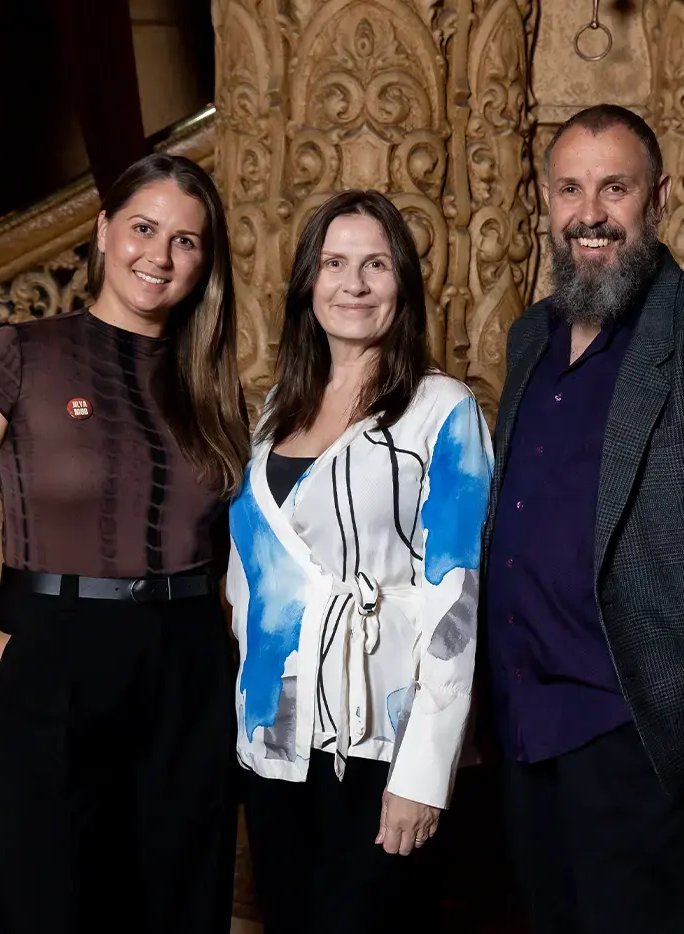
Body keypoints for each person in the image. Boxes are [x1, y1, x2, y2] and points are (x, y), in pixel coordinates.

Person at [481, 103, 684, 933]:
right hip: (519, 722)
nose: (589, 214)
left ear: (658, 197)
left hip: (630, 730)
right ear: (547, 201)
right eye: (570, 189)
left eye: (615, 189)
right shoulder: (529, 337)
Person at [0, 153, 248, 934]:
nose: (159, 256)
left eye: (185, 241)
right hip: (51, 647)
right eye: (143, 229)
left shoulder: (210, 381)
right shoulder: (21, 353)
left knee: (179, 903)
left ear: (205, 262)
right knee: (47, 904)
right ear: (102, 231)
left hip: (187, 663)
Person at [228, 189, 492, 933]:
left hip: (382, 735)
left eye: (375, 264)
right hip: (274, 738)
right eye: (334, 263)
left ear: (402, 281)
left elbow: (457, 599)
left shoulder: (442, 409)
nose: (354, 283)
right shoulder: (275, 410)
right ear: (308, 283)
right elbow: (249, 578)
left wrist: (424, 772)